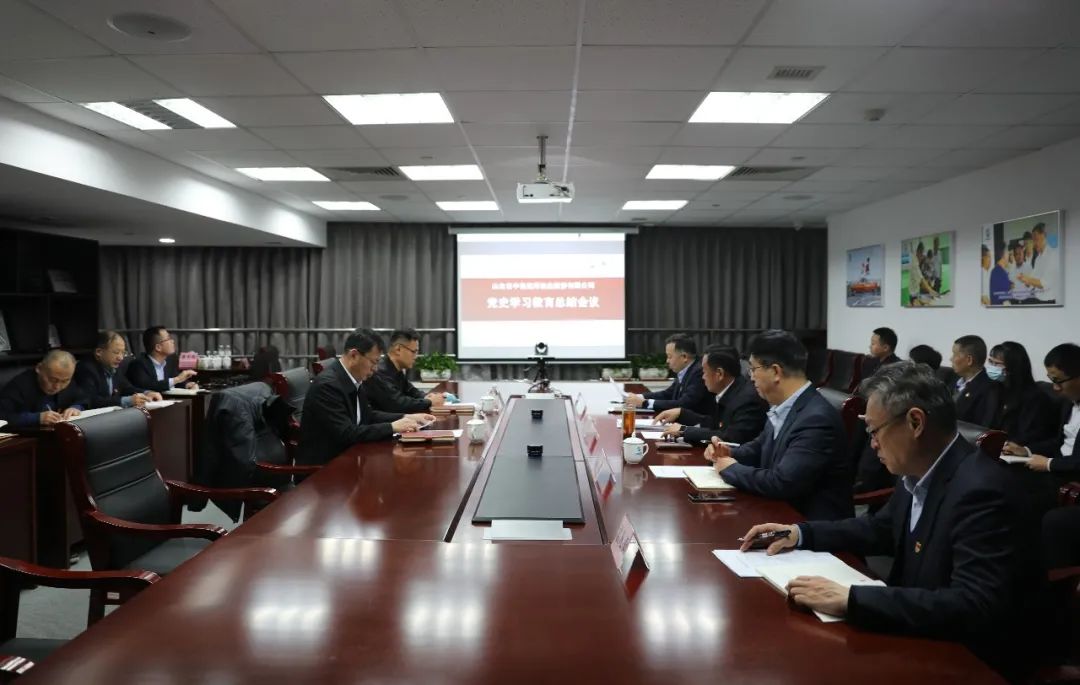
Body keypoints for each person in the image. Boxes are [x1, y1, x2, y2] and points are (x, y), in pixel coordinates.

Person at [738, 362, 1043, 678]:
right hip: (916, 635)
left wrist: (852, 599)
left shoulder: (982, 491)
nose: (872, 444)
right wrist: (799, 533)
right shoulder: (921, 470)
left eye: (874, 431)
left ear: (915, 422)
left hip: (967, 661)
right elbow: (880, 528)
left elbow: (974, 605)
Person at [704, 330, 852, 520]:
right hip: (778, 512)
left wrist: (730, 468)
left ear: (775, 372)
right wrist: (729, 453)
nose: (751, 377)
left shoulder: (816, 419)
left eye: (753, 369)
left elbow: (782, 482)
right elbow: (760, 447)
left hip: (807, 523)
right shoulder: (785, 405)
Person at [297, 328, 434, 466]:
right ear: (354, 355)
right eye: (373, 362)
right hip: (325, 469)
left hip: (348, 459)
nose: (375, 369)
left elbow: (368, 415)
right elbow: (347, 433)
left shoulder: (353, 378)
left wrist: (406, 417)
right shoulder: (328, 386)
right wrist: (392, 427)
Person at [655, 344, 767, 445]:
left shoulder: (747, 399)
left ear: (719, 374)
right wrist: (681, 413)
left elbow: (730, 437)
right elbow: (713, 423)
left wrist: (684, 431)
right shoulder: (730, 389)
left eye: (704, 371)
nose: (702, 377)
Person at [1002, 343, 1080, 475]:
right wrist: (1026, 450)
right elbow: (1058, 442)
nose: (1055, 388)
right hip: (1056, 467)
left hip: (1069, 475)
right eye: (1051, 380)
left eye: (1058, 381)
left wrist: (1049, 464)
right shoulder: (1068, 402)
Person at [987, 342, 1059, 447]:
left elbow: (1029, 436)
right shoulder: (994, 390)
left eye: (997, 364)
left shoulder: (1035, 398)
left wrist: (1003, 443)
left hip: (1014, 450)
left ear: (1013, 367)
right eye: (990, 362)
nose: (992, 367)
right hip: (991, 446)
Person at [624, 334, 715, 415]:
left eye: (670, 356)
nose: (667, 361)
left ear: (684, 357)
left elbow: (683, 404)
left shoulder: (699, 373)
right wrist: (639, 397)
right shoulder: (685, 370)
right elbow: (667, 394)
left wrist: (645, 403)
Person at [74, 331, 162, 409]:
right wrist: (128, 401)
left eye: (123, 353)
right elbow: (90, 401)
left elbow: (126, 388)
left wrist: (146, 393)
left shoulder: (115, 366)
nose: (121, 358)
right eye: (116, 352)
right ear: (99, 352)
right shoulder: (86, 369)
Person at [366, 328, 447, 413]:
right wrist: (429, 402)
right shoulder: (380, 371)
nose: (415, 357)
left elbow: (411, 391)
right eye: (413, 352)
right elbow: (398, 404)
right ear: (398, 349)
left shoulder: (397, 370)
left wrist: (427, 396)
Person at [0, 350, 86, 427]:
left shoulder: (64, 378)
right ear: (39, 368)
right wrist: (36, 418)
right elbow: (3, 416)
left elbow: (83, 398)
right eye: (52, 380)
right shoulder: (19, 386)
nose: (57, 386)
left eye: (65, 381)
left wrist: (76, 407)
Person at [126, 326, 198, 393]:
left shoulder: (170, 359)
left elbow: (175, 381)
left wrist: (187, 385)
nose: (172, 341)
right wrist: (177, 379)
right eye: (168, 339)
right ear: (158, 347)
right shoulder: (138, 364)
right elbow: (148, 386)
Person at [950, 335, 998, 427]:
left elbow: (982, 428)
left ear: (969, 360)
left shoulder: (988, 389)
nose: (951, 359)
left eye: (955, 354)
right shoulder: (952, 379)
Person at [1018, 222, 1059, 304]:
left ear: (1044, 236)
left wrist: (1028, 280)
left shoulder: (1053, 255)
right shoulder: (1038, 258)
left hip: (1048, 302)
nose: (1034, 244)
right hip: (1038, 299)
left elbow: (1044, 284)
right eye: (1033, 240)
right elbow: (1033, 278)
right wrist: (1025, 281)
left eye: (1036, 239)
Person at [907, 242, 937, 306]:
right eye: (922, 255)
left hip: (917, 293)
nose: (922, 257)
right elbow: (921, 278)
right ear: (918, 252)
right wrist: (930, 290)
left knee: (927, 303)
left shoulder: (917, 261)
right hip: (914, 295)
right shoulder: (914, 263)